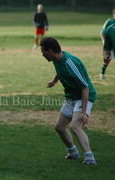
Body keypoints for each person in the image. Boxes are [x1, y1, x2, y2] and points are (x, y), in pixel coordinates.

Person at [40, 37, 97, 165]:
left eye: (43, 51)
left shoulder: (69, 63)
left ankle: (90, 158)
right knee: (59, 127)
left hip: (84, 96)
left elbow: (85, 87)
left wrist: (83, 112)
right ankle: (73, 152)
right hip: (71, 96)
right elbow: (59, 71)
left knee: (75, 127)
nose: (42, 54)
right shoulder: (56, 58)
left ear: (50, 50)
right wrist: (55, 81)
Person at [100, 8, 115, 80]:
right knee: (107, 60)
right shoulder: (109, 22)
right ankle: (102, 72)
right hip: (110, 46)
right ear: (113, 14)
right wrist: (104, 42)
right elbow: (103, 33)